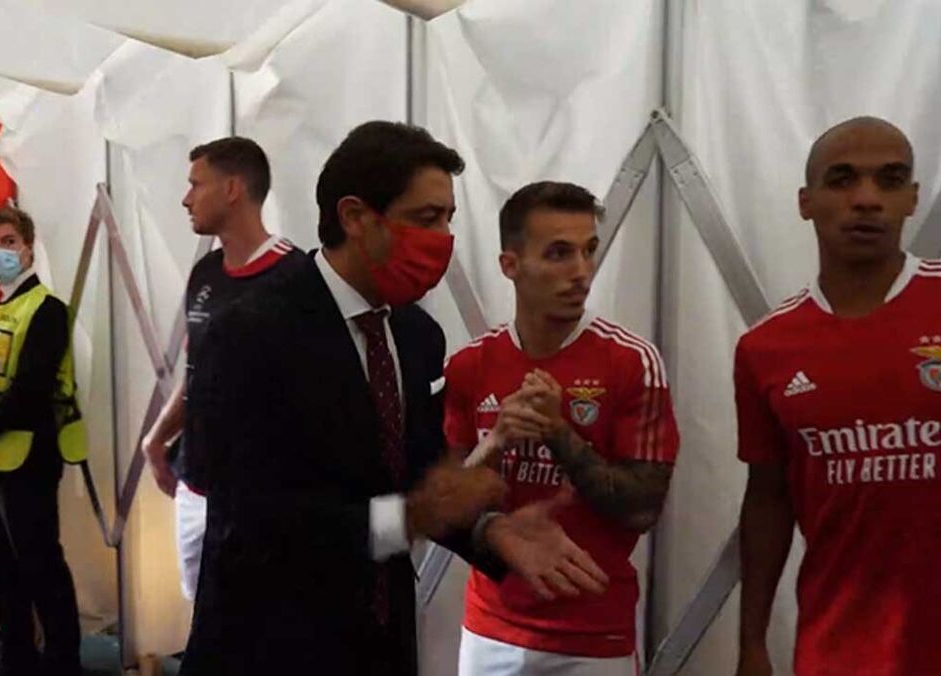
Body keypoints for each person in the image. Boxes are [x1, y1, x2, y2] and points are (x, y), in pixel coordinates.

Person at [179, 121, 609, 676]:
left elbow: (418, 470)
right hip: (272, 644)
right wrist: (406, 518)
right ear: (355, 216)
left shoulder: (415, 335)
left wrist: (490, 528)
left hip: (381, 640)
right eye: (426, 219)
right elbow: (252, 520)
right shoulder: (249, 332)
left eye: (449, 218)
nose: (443, 240)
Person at [444, 182, 679, 675]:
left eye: (588, 250)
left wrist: (558, 432)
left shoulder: (630, 360)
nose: (581, 272)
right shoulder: (469, 365)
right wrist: (497, 440)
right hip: (490, 630)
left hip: (592, 638)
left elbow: (641, 508)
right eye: (558, 254)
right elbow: (447, 503)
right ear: (510, 265)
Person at [734, 117, 941, 676]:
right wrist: (751, 642)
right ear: (806, 202)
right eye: (843, 179)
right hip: (840, 645)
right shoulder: (766, 347)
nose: (867, 199)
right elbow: (768, 497)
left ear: (912, 198)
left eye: (889, 180)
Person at [142, 137, 307, 601]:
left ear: (232, 189)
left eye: (196, 184)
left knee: (261, 619)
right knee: (203, 616)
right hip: (196, 488)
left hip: (263, 500)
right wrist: (156, 439)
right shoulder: (206, 274)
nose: (186, 198)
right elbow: (197, 374)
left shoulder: (296, 280)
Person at [0, 205, 85, 676]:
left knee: (39, 563)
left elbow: (29, 391)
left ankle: (62, 661)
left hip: (28, 456)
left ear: (28, 247)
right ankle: (16, 656)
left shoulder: (46, 310)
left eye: (8, 242)